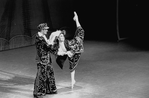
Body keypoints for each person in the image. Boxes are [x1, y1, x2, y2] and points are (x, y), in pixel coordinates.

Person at [49, 11, 84, 89]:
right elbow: (51, 47)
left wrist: (70, 52)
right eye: (60, 36)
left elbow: (76, 46)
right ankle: (73, 81)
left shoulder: (68, 42)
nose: (62, 37)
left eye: (62, 36)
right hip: (66, 52)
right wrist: (52, 36)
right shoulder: (56, 45)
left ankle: (77, 19)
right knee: (70, 65)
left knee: (80, 33)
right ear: (58, 38)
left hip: (75, 51)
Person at [33, 23, 57, 98]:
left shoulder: (43, 36)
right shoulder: (39, 38)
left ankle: (50, 89)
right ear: (42, 29)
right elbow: (47, 47)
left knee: (49, 73)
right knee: (41, 75)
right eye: (46, 29)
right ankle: (38, 92)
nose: (47, 30)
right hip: (42, 59)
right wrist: (53, 41)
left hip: (47, 58)